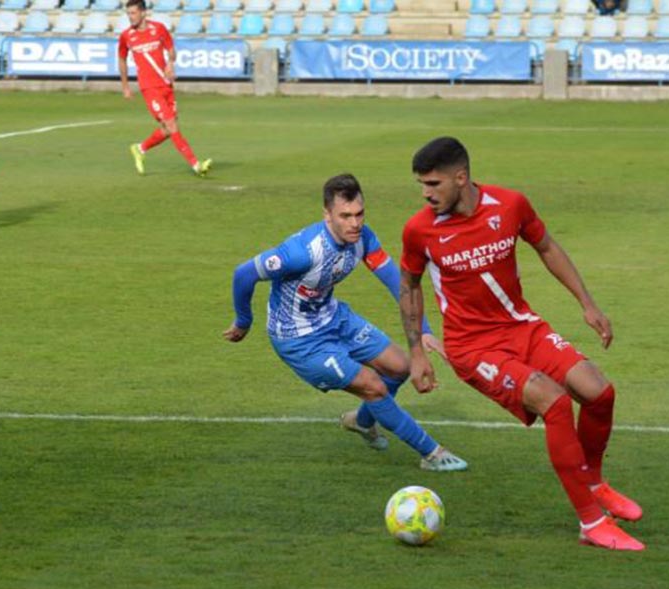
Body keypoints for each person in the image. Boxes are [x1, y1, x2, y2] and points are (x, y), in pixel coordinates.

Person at [399, 137, 644, 551]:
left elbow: (546, 246)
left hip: (521, 327)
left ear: (462, 177)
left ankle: (594, 482)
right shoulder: (420, 229)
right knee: (556, 403)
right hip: (473, 348)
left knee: (599, 392)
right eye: (422, 184)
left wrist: (587, 304)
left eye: (434, 184)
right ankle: (590, 522)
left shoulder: (510, 205)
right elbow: (409, 283)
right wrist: (418, 352)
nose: (426, 193)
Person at [223, 173, 468, 473]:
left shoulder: (363, 239)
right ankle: (432, 452)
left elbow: (397, 282)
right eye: (345, 216)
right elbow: (243, 274)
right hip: (299, 340)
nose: (355, 223)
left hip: (334, 317)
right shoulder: (301, 253)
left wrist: (425, 331)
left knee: (400, 367)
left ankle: (362, 422)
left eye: (359, 214)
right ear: (327, 214)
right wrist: (244, 321)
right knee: (373, 387)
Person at [119, 0, 211, 178]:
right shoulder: (126, 36)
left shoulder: (159, 28)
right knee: (171, 124)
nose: (130, 17)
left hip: (166, 84)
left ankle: (140, 148)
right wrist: (125, 86)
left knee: (169, 129)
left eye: (133, 13)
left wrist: (170, 63)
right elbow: (122, 59)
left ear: (143, 13)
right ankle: (195, 164)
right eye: (128, 13)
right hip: (149, 87)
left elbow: (171, 49)